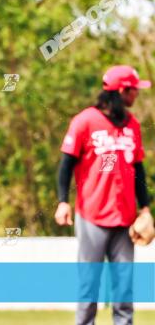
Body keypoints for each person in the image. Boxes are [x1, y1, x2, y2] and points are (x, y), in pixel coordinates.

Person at [55, 65, 152, 325]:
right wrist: (63, 201)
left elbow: (138, 168)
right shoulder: (85, 121)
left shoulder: (132, 125)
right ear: (122, 90)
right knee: (90, 286)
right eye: (134, 90)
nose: (137, 95)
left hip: (124, 219)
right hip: (92, 217)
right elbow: (65, 164)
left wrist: (145, 208)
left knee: (123, 290)